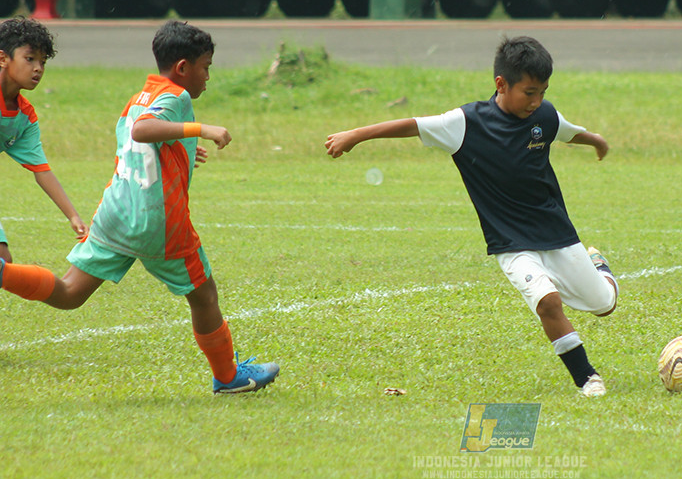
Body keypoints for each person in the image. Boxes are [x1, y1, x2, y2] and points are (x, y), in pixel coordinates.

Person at [325, 36, 618, 397]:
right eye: (529, 92)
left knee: (604, 306)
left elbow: (570, 133)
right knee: (547, 301)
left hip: (556, 231)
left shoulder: (544, 116)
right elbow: (411, 125)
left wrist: (597, 142)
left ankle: (599, 267)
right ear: (501, 84)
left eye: (542, 91)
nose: (537, 101)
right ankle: (587, 378)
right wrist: (355, 135)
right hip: (510, 243)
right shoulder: (465, 123)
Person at [0, 20, 279, 394]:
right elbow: (143, 131)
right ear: (182, 68)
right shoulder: (176, 98)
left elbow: (135, 140)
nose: (208, 77)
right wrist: (203, 130)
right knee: (204, 294)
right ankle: (228, 377)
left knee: (69, 293)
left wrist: (180, 148)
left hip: (115, 213)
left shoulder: (138, 97)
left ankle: (2, 272)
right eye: (206, 67)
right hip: (156, 220)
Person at [0, 16, 88, 263]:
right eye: (30, 59)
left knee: (3, 263)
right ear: (3, 59)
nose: (38, 68)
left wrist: (73, 216)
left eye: (43, 61)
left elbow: (42, 170)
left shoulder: (24, 118)